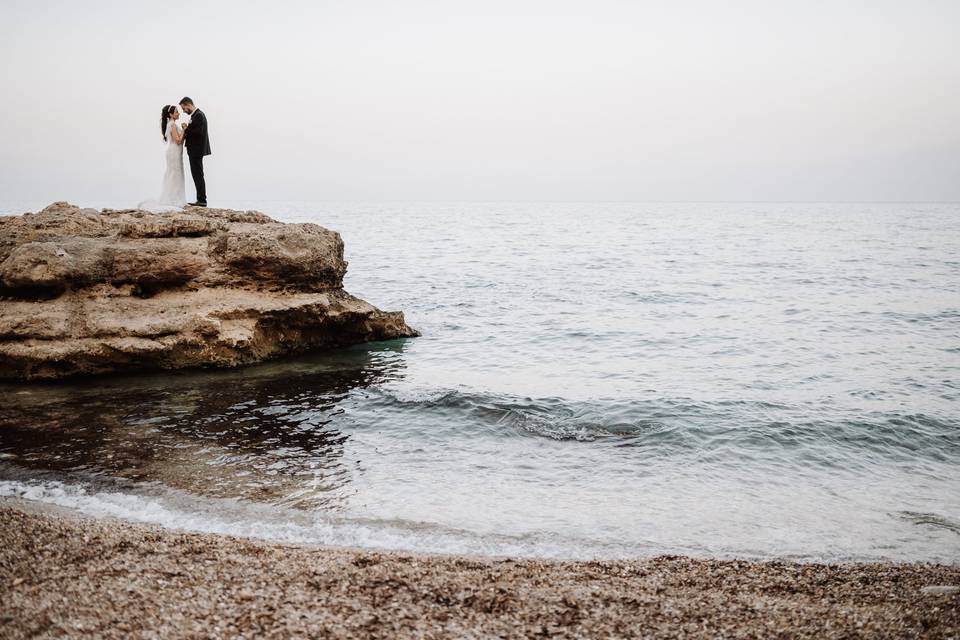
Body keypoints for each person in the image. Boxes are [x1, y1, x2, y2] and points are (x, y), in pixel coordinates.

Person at [137, 105, 187, 213]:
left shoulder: (172, 124)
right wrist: (184, 129)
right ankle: (173, 200)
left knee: (175, 174)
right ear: (171, 114)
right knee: (174, 174)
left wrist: (183, 131)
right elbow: (178, 141)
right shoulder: (172, 124)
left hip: (176, 152)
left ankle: (175, 198)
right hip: (174, 152)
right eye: (176, 112)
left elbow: (179, 140)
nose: (178, 113)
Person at [178, 97, 212, 207]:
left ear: (188, 104)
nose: (183, 111)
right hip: (195, 150)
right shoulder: (196, 115)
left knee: (198, 174)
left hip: (196, 150)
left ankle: (202, 200)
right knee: (197, 174)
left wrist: (186, 128)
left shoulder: (199, 115)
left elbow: (198, 132)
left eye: (183, 108)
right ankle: (200, 199)